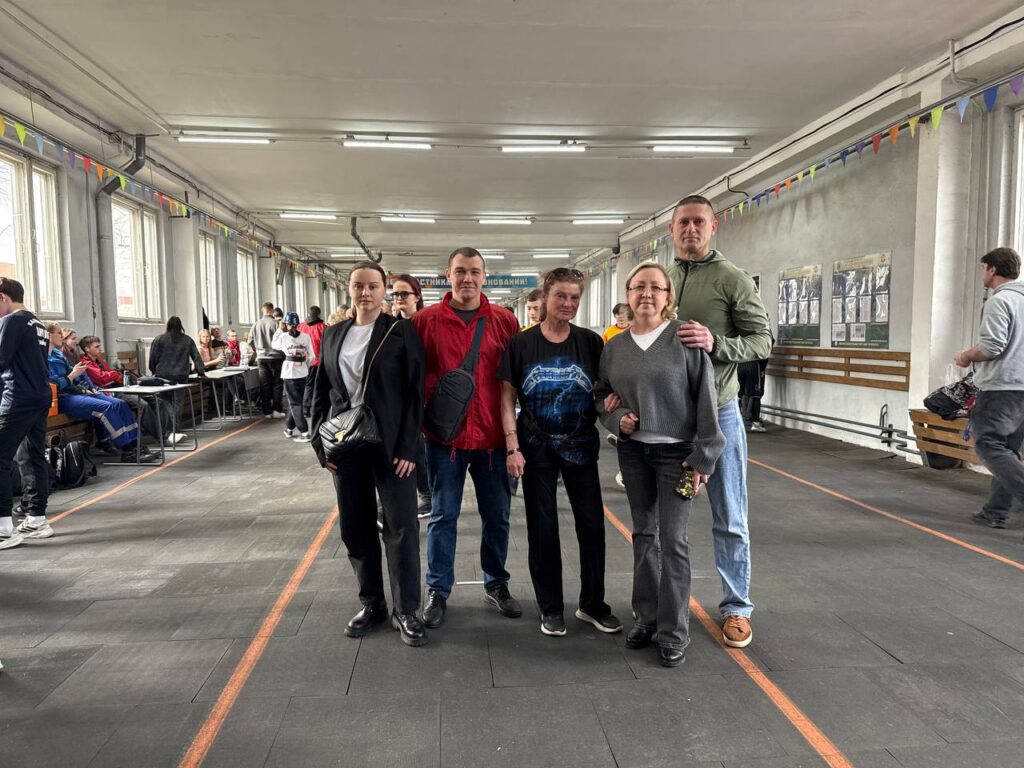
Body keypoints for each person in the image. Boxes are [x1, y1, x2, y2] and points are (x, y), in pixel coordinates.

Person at [598, 261, 725, 667]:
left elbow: (706, 399)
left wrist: (705, 455)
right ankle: (647, 618)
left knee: (674, 541)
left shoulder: (684, 338)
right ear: (628, 294)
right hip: (634, 454)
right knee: (644, 536)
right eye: (639, 287)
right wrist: (617, 418)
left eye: (656, 287)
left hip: (678, 457)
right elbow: (601, 396)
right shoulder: (614, 347)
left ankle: (673, 632)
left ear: (668, 296)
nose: (647, 294)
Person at [667, 194, 772, 649]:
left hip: (719, 412)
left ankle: (737, 608)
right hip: (670, 415)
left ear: (713, 227)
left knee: (729, 513)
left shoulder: (733, 279)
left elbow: (763, 341)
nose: (691, 229)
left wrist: (716, 343)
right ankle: (661, 603)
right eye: (683, 222)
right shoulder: (665, 278)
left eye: (699, 222)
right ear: (672, 230)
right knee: (664, 518)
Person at [499, 267, 621, 637]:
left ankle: (592, 604)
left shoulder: (590, 342)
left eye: (574, 298)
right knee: (543, 528)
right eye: (560, 296)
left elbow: (603, 388)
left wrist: (609, 402)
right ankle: (550, 607)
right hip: (535, 446)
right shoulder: (522, 344)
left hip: (580, 445)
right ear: (546, 298)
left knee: (592, 526)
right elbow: (506, 397)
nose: (567, 303)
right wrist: (512, 446)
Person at [310, 261, 427, 646]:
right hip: (347, 445)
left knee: (402, 528)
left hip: (392, 447)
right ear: (349, 289)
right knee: (355, 526)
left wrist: (409, 446)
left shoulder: (401, 331)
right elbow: (321, 390)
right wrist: (319, 444)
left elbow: (415, 393)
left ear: (383, 291)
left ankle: (406, 610)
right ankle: (372, 603)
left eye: (373, 286)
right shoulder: (333, 334)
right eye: (358, 285)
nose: (365, 292)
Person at [412, 247, 522, 628]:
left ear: (484, 276)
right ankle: (437, 590)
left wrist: (516, 440)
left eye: (475, 271)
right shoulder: (425, 321)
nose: (467, 279)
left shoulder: (504, 321)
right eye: (460, 271)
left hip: (493, 439)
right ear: (448, 275)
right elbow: (413, 377)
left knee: (498, 517)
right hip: (445, 441)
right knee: (443, 517)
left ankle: (496, 583)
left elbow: (515, 379)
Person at [954, 247, 1024, 531]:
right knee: (1008, 450)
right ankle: (995, 512)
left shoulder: (1000, 301)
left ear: (992, 269)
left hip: (1002, 389)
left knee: (989, 445)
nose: (983, 274)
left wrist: (966, 356)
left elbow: (992, 347)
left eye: (984, 268)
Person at [48, 322, 156, 463]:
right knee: (106, 408)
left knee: (120, 404)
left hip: (78, 391)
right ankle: (127, 451)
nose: (61, 336)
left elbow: (76, 373)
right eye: (59, 333)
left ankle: (136, 445)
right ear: (49, 336)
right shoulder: (42, 357)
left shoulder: (57, 353)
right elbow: (55, 384)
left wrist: (85, 385)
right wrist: (72, 377)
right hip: (63, 397)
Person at [0, 278, 54, 549]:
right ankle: (36, 519)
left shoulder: (11, 321)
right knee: (31, 456)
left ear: (3, 298)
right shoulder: (37, 323)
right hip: (39, 396)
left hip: (18, 398)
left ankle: (3, 529)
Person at [80, 335, 184, 445]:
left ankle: (169, 433)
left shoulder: (101, 360)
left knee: (158, 401)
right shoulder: (86, 364)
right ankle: (164, 438)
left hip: (119, 387)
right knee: (142, 405)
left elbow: (116, 376)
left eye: (99, 346)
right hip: (110, 393)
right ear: (87, 349)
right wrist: (113, 374)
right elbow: (101, 378)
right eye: (96, 347)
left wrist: (112, 375)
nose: (100, 349)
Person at [390, 275, 432, 518]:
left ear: (417, 297)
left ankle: (427, 494)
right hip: (397, 399)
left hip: (423, 396)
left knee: (418, 448)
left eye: (404, 293)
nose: (399, 298)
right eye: (395, 294)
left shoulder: (425, 324)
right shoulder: (390, 327)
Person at [273, 311, 314, 441]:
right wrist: (305, 366)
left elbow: (274, 344)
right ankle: (289, 428)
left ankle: (304, 431)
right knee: (296, 401)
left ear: (287, 324)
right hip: (302, 372)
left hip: (289, 373)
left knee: (294, 402)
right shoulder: (305, 337)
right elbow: (311, 356)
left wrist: (279, 329)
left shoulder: (283, 336)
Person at [247, 302, 286, 419]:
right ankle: (277, 410)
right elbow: (283, 339)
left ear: (262, 310)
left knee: (264, 385)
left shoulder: (255, 324)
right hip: (276, 357)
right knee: (277, 384)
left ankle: (267, 412)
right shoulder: (276, 324)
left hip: (261, 358)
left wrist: (259, 350)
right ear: (272, 310)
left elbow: (250, 342)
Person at [297, 306, 326, 422]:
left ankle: (303, 408)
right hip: (316, 361)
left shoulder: (300, 326)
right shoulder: (323, 327)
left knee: (303, 385)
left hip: (302, 361)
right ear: (319, 314)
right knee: (314, 385)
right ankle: (308, 408)